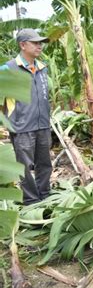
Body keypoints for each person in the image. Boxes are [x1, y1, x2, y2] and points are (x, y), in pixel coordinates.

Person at [0, 29, 52, 205]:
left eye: (40, 43)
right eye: (35, 43)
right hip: (22, 128)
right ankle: (31, 201)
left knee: (45, 164)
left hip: (43, 125)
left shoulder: (42, 68)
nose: (39, 46)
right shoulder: (9, 69)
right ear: (23, 45)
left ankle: (45, 195)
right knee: (25, 168)